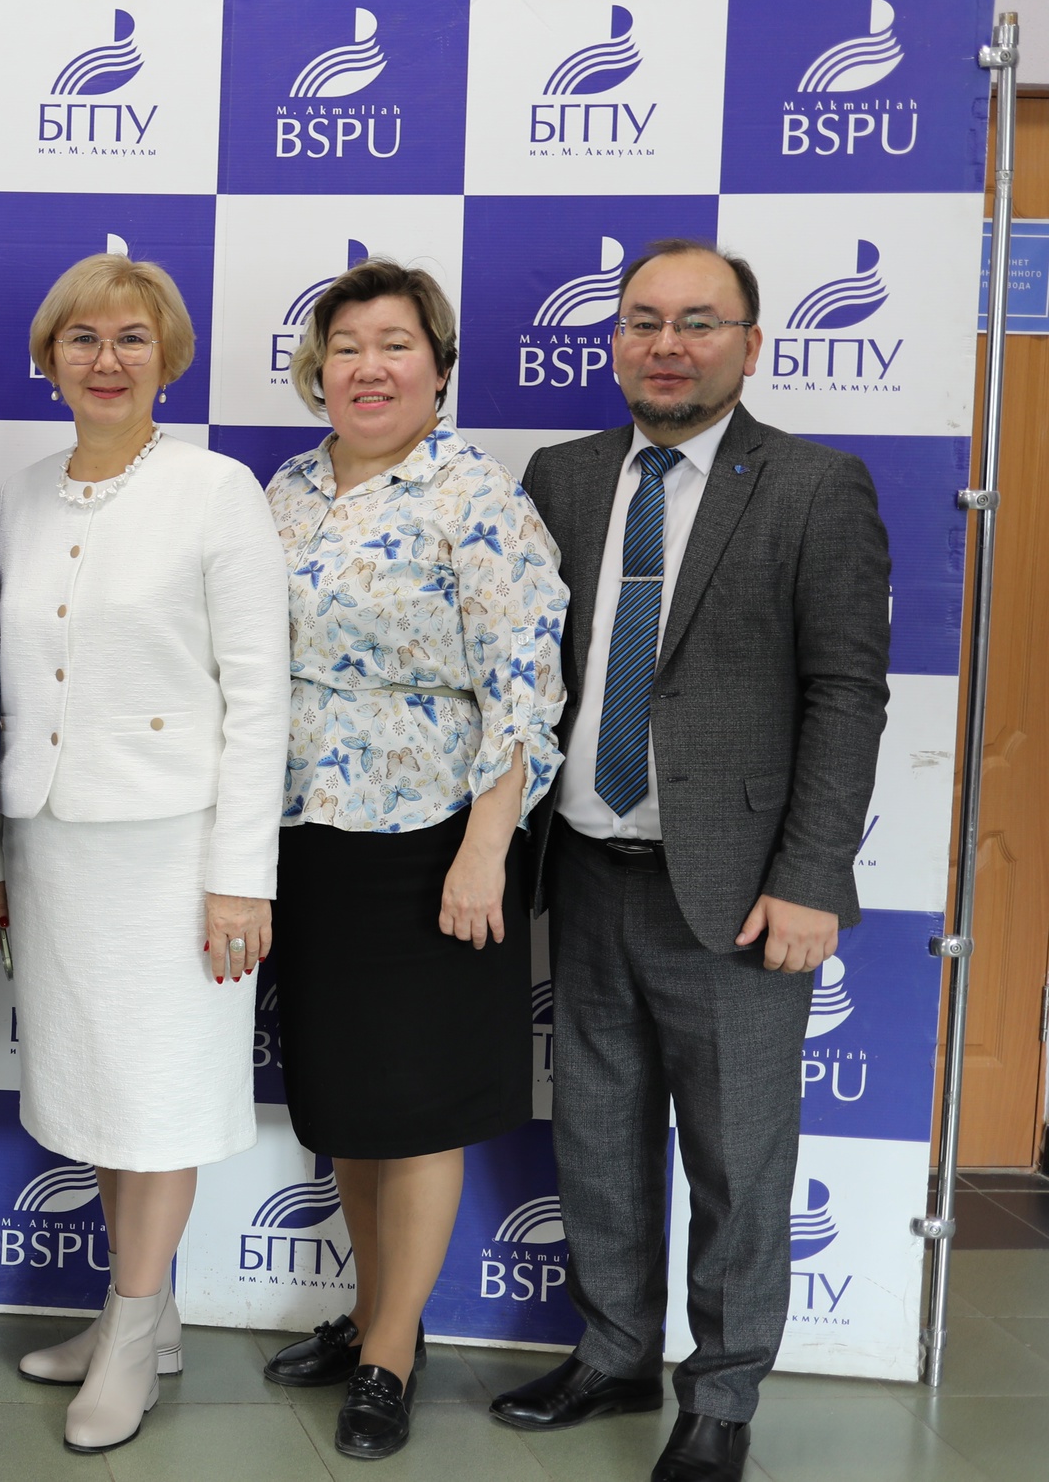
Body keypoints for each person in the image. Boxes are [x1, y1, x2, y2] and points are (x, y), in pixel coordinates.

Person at [488, 241, 889, 1482]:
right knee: (595, 1136)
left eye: (698, 322)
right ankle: (613, 1353)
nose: (667, 345)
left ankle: (719, 1396)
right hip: (584, 869)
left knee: (737, 1158)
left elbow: (845, 692)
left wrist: (812, 875)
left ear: (749, 345)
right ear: (614, 341)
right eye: (643, 321)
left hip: (738, 891)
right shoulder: (561, 477)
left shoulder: (815, 487)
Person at [0, 254, 287, 1454]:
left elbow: (259, 697)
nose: (106, 361)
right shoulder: (23, 495)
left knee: (158, 1101)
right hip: (53, 847)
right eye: (83, 339)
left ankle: (133, 1334)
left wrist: (239, 877)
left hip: (175, 857)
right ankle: (138, 1319)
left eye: (131, 340)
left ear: (168, 358)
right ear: (49, 359)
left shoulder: (216, 491)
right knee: (100, 1096)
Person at [263, 259, 569, 1461]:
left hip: (433, 841)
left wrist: (486, 849)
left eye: (395, 345)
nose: (369, 368)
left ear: (437, 370)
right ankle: (370, 1312)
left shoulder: (475, 497)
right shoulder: (284, 491)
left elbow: (525, 690)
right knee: (349, 1102)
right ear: (316, 370)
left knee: (420, 1102)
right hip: (305, 836)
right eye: (346, 347)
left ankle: (390, 1353)